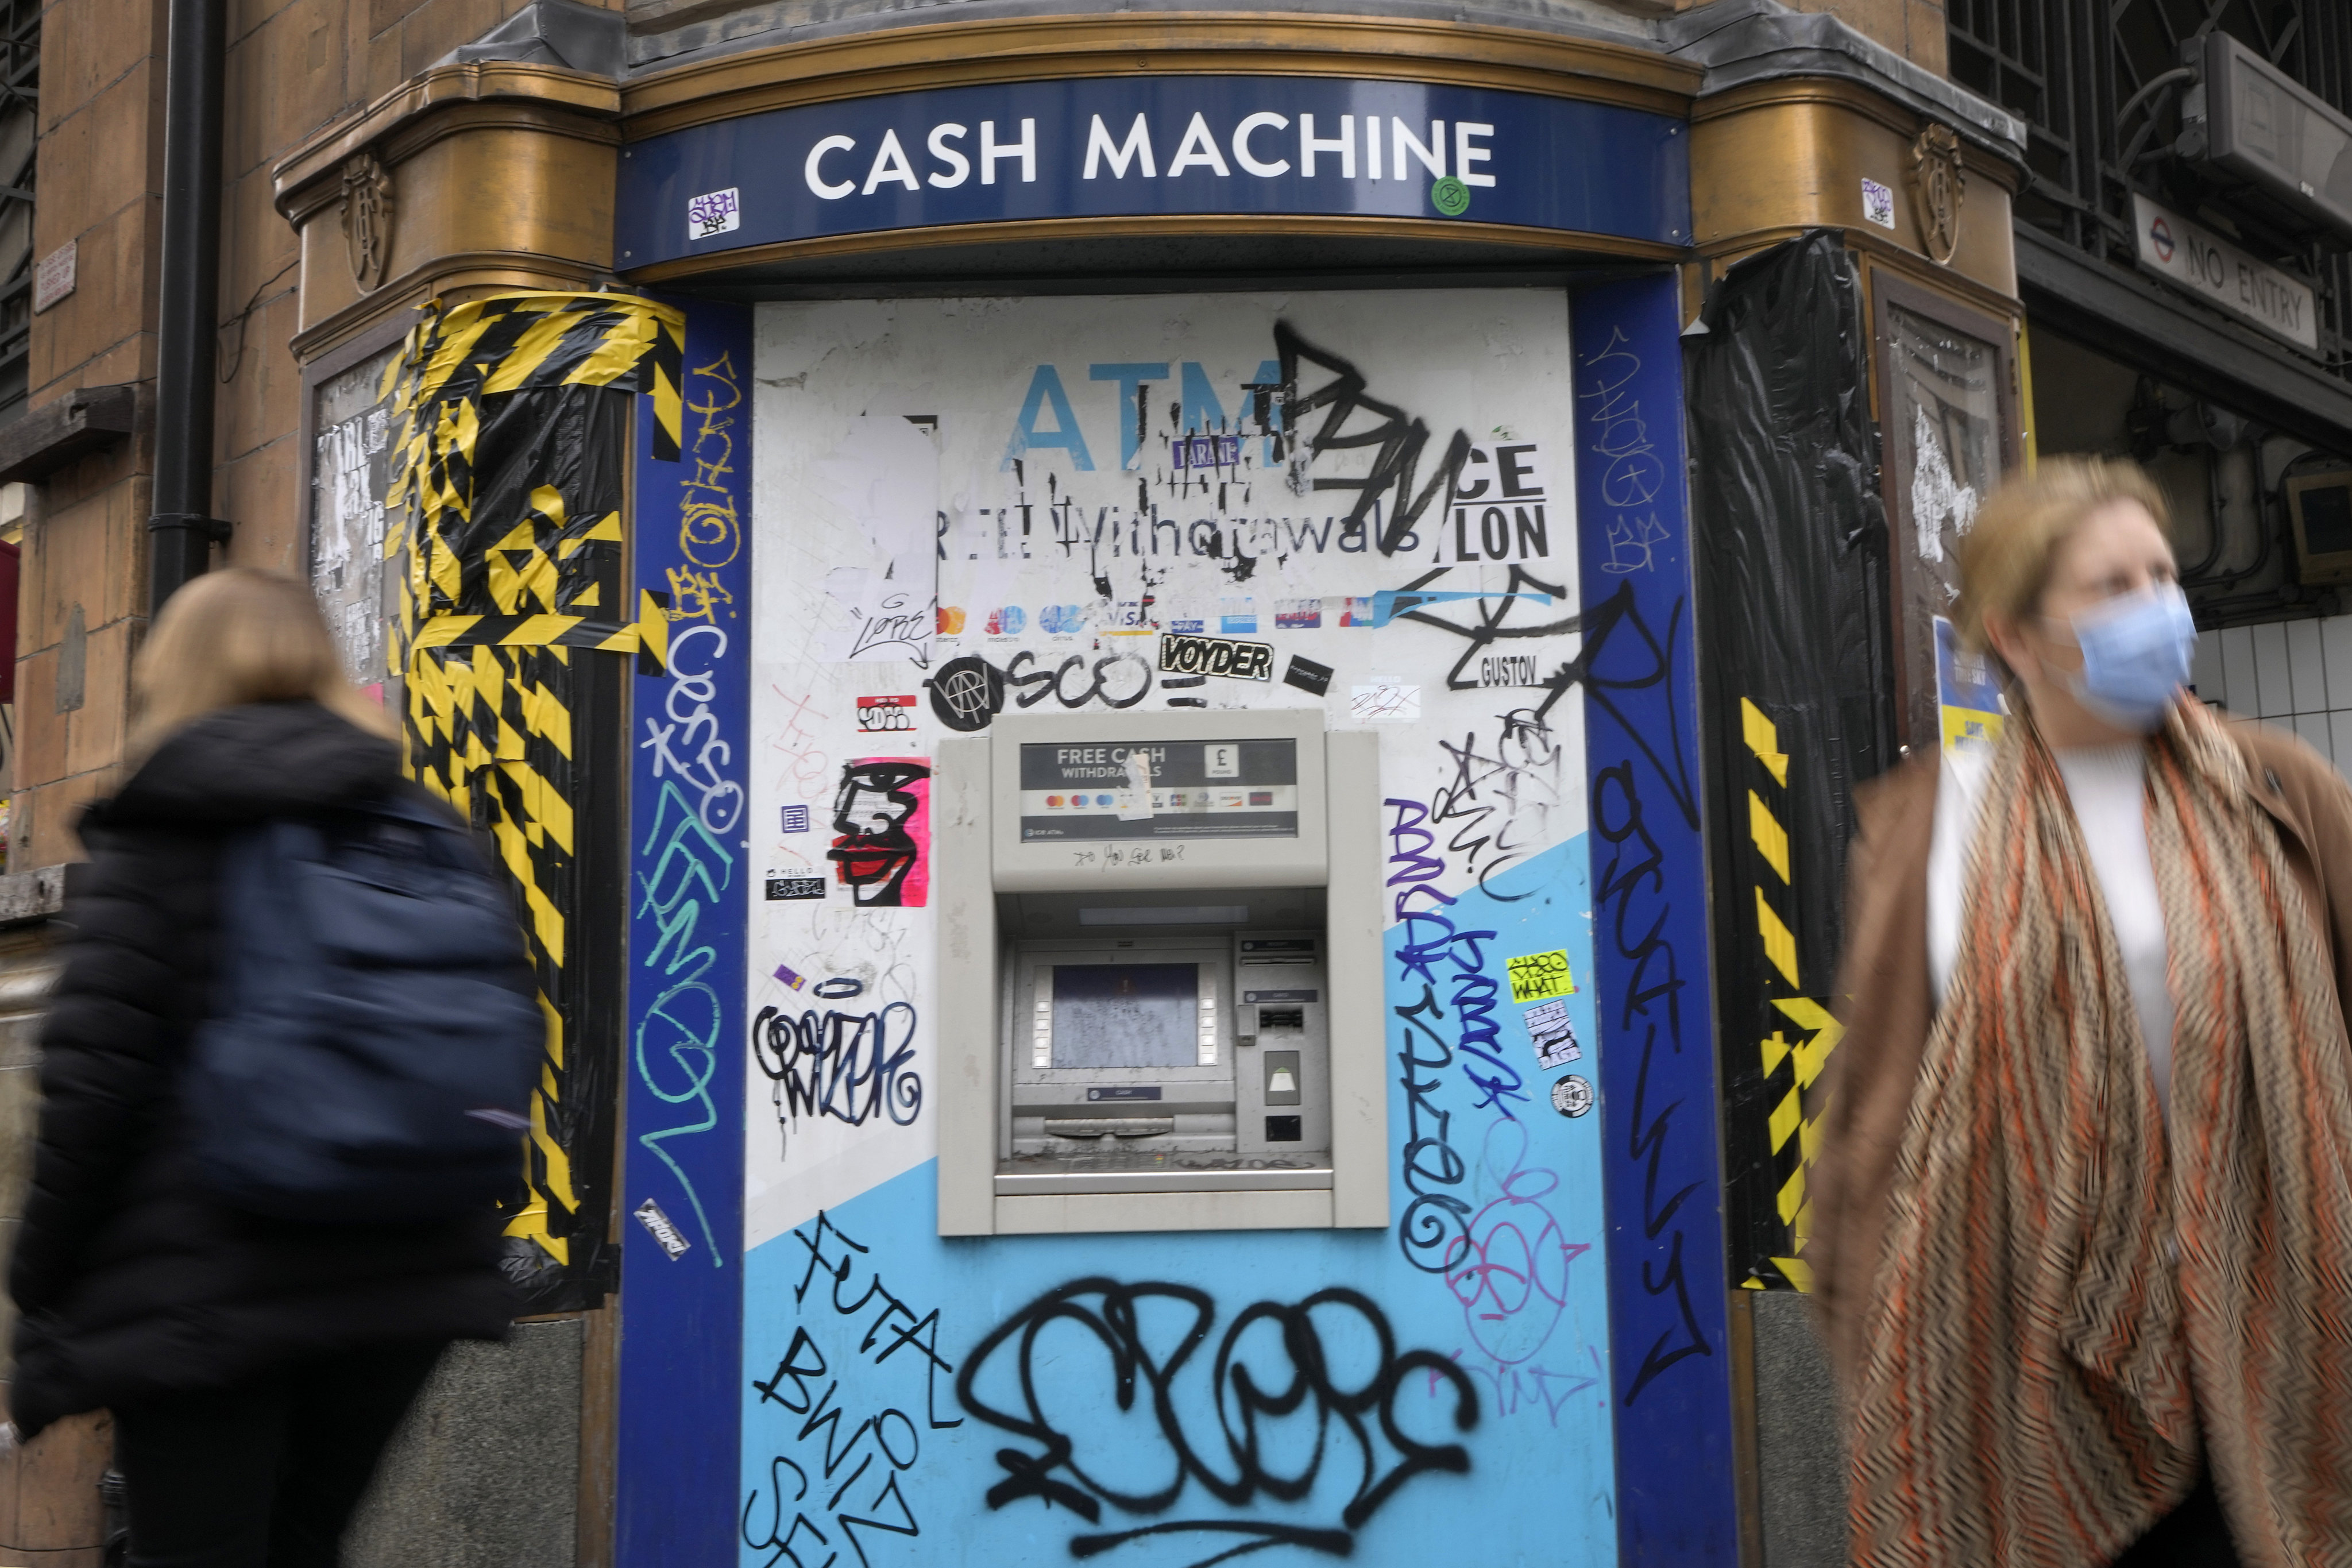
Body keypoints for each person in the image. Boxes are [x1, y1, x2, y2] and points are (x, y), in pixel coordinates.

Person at [1808, 457, 2352, 1567]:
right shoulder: (1932, 826)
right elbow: (1876, 1116)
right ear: (2013, 635)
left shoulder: (2276, 789)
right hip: (2020, 1364)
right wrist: (1867, 1332)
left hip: (2271, 1339)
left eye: (2163, 574)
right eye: (2113, 587)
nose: (2159, 606)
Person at [6, 569, 522, 1566]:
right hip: (401, 1275)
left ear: (174, 675)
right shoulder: (424, 829)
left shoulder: (167, 830)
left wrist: (41, 1280)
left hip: (207, 1290)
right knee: (300, 1546)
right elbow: (499, 1025)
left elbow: (91, 1085)